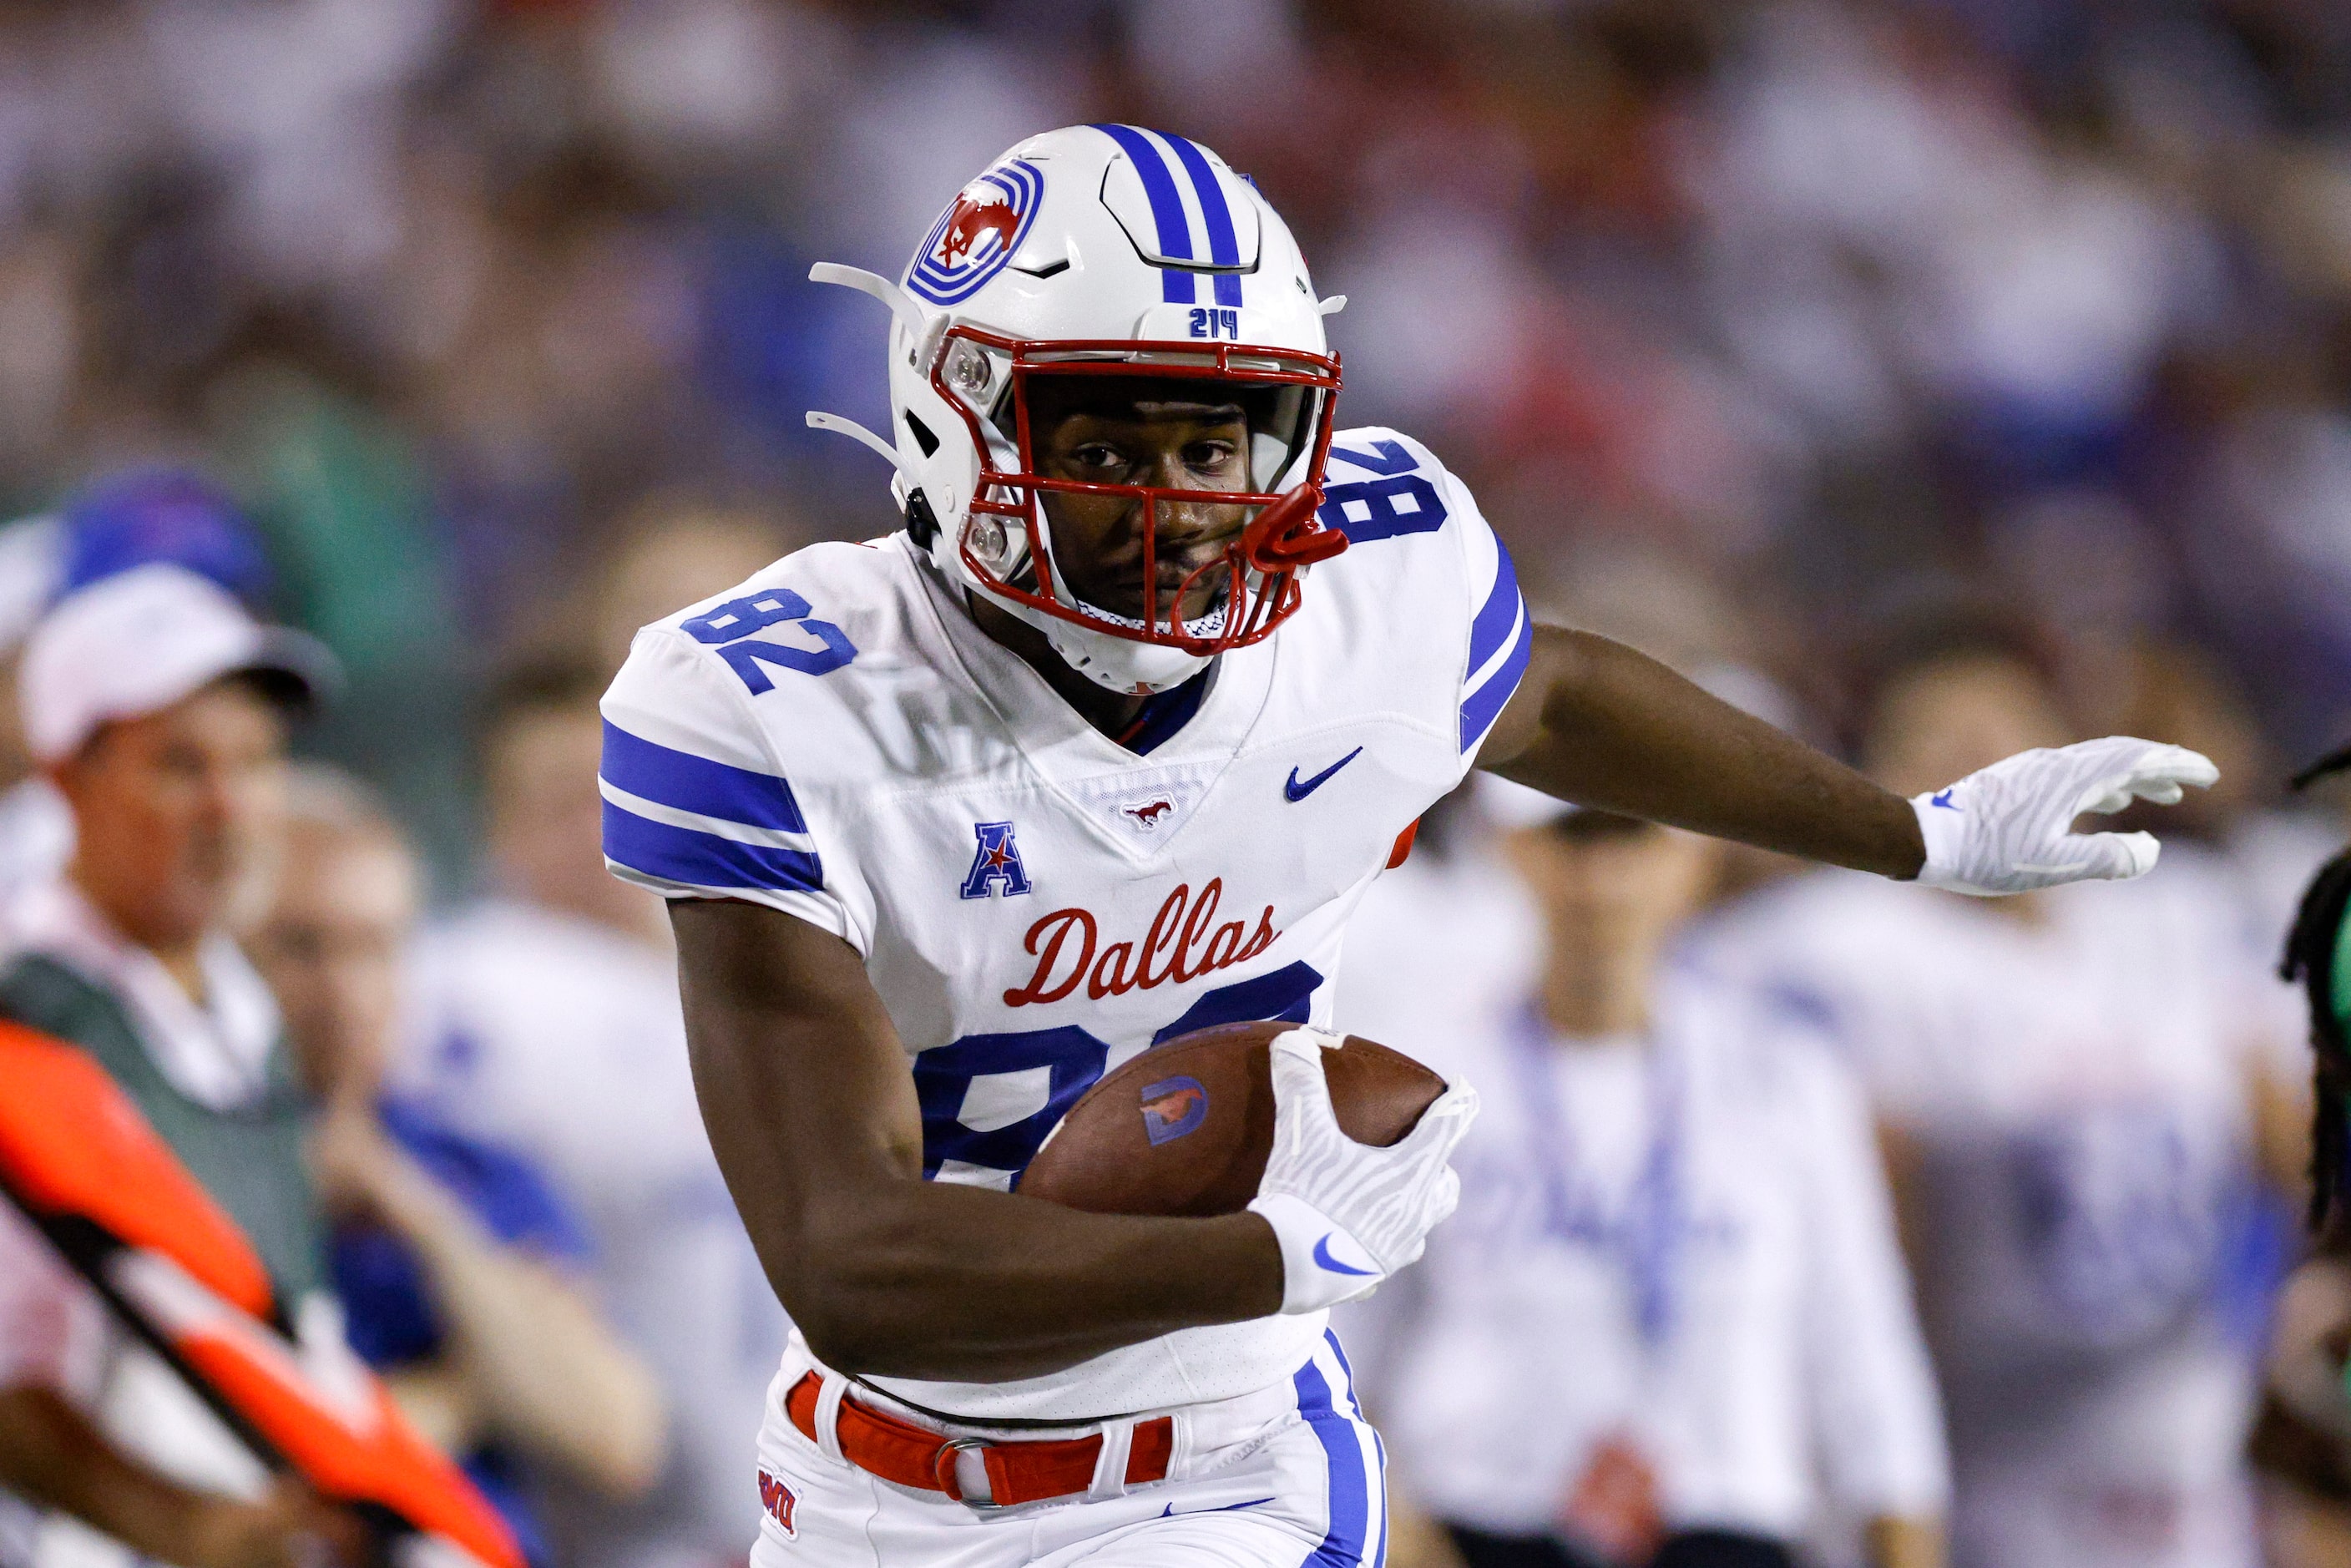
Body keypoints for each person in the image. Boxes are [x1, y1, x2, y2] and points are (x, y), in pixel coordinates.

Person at [599, 125, 2212, 1567]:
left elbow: (1557, 695)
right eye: (1106, 446)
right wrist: (1256, 1253)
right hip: (860, 1482)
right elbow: (854, 1255)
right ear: (956, 422)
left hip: (1220, 1474)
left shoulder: (1380, 588)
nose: (1175, 503)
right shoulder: (771, 703)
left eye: (1216, 442)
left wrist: (1910, 833)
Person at [1693, 606, 2296, 1568]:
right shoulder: (1826, 945)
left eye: (2007, 735)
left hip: (2184, 1442)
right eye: (1937, 741)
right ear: (1873, 786)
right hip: (1960, 1456)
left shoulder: (2178, 912)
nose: (1984, 770)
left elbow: (2299, 1155)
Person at [1344, 783, 1947, 1568]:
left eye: (1633, 840)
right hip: (1481, 1524)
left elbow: (1860, 1334)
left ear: (1696, 855)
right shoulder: (1430, 1075)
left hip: (1725, 1524)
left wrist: (1904, 1532)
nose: (1602, 881)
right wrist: (1393, 1520)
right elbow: (1347, 1332)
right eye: (1574, 841)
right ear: (1513, 852)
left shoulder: (1784, 1074)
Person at [0, 564, 355, 1568]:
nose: (231, 806)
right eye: (182, 766)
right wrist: (187, 1526)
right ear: (67, 779)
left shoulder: (238, 1002)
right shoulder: (29, 1012)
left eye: (257, 761)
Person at [398, 660, 786, 1568]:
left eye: (624, 787)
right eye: (564, 802)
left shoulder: (752, 983)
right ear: (495, 831)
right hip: (610, 1531)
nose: (604, 830)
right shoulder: (479, 988)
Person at [244, 766, 666, 1565]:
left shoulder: (468, 1165)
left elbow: (619, 1435)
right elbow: (270, 1474)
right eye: (299, 946)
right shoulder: (189, 1155)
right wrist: (482, 1380)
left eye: (374, 945)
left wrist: (413, 1211)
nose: (342, 989)